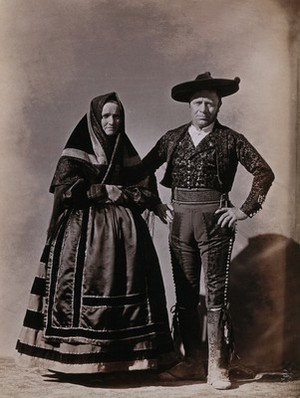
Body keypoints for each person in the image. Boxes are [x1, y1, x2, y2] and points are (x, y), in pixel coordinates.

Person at [15, 92, 174, 375]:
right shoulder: (77, 150)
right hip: (82, 234)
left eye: (117, 116)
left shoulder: (124, 151)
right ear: (95, 119)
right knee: (83, 286)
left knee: (128, 285)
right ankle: (80, 360)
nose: (112, 121)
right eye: (106, 116)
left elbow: (145, 187)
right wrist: (102, 190)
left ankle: (122, 360)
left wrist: (134, 196)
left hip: (125, 236)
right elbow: (66, 191)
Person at [142, 72, 275, 390]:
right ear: (190, 105)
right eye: (199, 102)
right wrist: (156, 203)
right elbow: (144, 167)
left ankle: (218, 366)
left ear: (218, 107)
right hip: (180, 222)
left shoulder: (231, 139)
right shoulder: (173, 138)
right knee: (186, 296)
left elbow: (263, 172)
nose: (204, 108)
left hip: (215, 222)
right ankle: (190, 362)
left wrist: (243, 210)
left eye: (210, 103)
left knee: (215, 296)